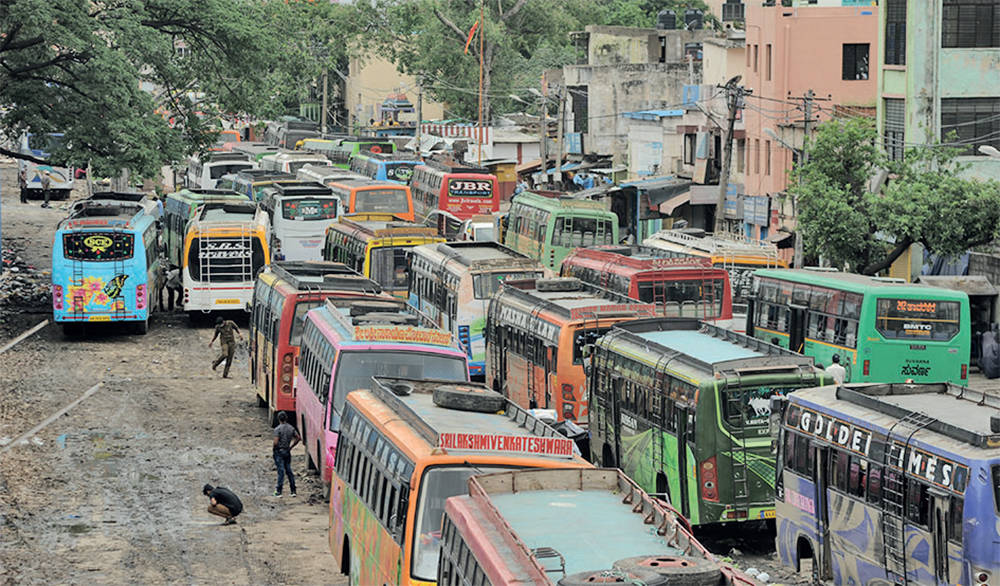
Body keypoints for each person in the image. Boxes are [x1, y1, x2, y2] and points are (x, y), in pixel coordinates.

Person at [272, 412, 300, 497]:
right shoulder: (291, 428)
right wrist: (291, 447)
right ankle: (293, 491)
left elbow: (276, 442)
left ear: (279, 419)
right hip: (287, 451)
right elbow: (298, 438)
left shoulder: (277, 429)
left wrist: (274, 449)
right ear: (286, 418)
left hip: (279, 452)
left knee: (281, 472)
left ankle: (278, 491)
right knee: (289, 471)